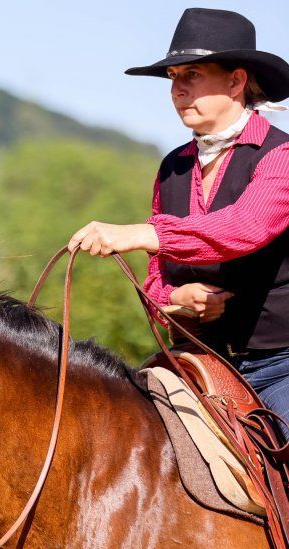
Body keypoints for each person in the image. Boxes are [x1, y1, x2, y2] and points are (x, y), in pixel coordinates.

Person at [66, 7, 289, 433]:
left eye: (193, 74)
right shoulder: (172, 167)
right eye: (173, 79)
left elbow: (243, 227)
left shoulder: (282, 157)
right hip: (196, 363)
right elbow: (155, 279)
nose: (178, 90)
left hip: (281, 364)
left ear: (236, 80)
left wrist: (141, 232)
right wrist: (176, 298)